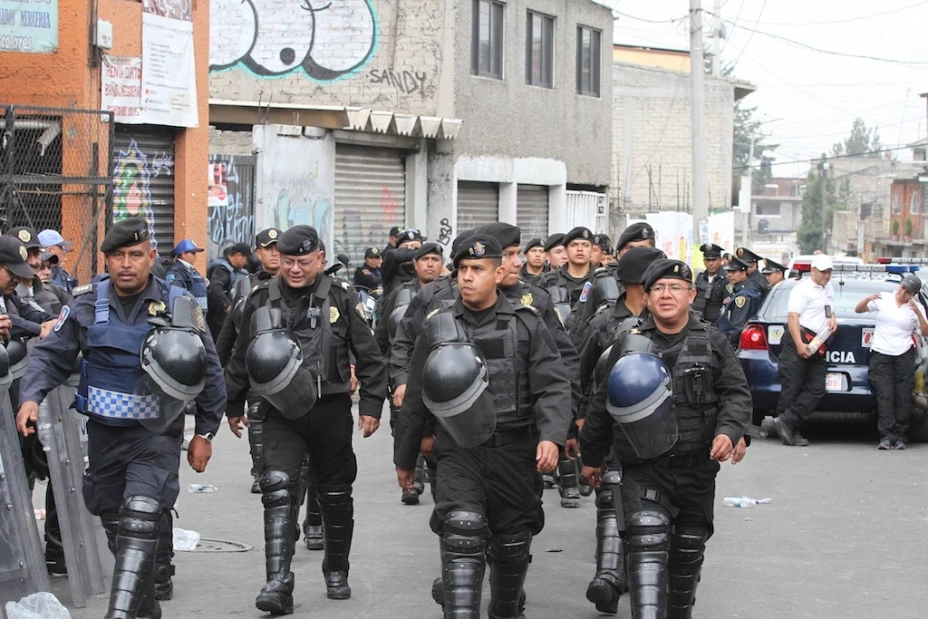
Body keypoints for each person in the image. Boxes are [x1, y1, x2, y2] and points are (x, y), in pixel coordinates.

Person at [15, 217, 227, 618]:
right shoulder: (83, 303)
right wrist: (30, 396)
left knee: (142, 518)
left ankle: (121, 612)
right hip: (105, 435)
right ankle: (145, 609)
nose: (126, 264)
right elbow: (49, 356)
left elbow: (209, 369)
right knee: (118, 526)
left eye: (135, 255)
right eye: (117, 256)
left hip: (156, 435)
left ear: (151, 257)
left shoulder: (180, 303)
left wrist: (207, 432)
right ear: (106, 260)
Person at [393, 233, 572, 619]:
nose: (467, 277)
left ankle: (505, 610)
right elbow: (417, 396)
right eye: (462, 269)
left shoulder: (527, 324)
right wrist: (405, 458)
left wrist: (552, 437)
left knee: (511, 544)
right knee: (461, 529)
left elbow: (553, 386)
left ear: (499, 272)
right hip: (459, 450)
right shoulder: (437, 326)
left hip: (515, 450)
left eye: (478, 269)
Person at [224, 225, 387, 615]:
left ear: (321, 259)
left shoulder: (342, 298)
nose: (295, 269)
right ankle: (278, 582)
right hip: (279, 412)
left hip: (329, 409)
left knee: (334, 493)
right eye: (288, 261)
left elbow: (370, 355)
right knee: (277, 486)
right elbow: (240, 357)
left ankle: (336, 569)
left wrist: (371, 405)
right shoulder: (260, 299)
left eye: (303, 261)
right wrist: (230, 406)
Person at [580, 258, 751, 619]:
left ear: (691, 295)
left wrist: (729, 430)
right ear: (647, 296)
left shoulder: (713, 342)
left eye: (675, 288)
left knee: (686, 558)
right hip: (643, 468)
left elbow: (736, 393)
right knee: (645, 545)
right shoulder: (627, 345)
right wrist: (591, 458)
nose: (667, 294)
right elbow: (601, 404)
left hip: (696, 471)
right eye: (658, 288)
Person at [574, 246, 663, 615]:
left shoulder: (670, 320)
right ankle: (607, 576)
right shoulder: (602, 321)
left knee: (650, 504)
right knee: (611, 496)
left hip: (658, 429)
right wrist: (578, 422)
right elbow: (578, 372)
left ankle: (637, 573)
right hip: (608, 421)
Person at [376, 242, 444, 505]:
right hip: (405, 370)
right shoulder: (400, 293)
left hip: (438, 371)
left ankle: (436, 478)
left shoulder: (452, 293)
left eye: (435, 259)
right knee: (407, 424)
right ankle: (411, 483)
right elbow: (385, 334)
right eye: (424, 259)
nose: (430, 264)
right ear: (414, 265)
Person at [855, 273, 928, 450]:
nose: (903, 293)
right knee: (885, 396)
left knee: (902, 396)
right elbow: (858, 309)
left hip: (903, 354)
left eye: (908, 292)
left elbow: (925, 331)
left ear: (913, 294)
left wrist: (918, 312)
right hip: (881, 353)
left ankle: (901, 436)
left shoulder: (915, 307)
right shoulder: (884, 298)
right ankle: (887, 436)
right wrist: (867, 299)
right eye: (902, 288)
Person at [771, 254, 837, 447]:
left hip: (818, 342)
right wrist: (799, 344)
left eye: (829, 272)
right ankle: (790, 430)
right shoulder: (802, 289)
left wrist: (833, 317)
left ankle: (788, 421)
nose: (826, 275)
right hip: (798, 339)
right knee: (792, 388)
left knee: (816, 389)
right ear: (813, 270)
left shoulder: (828, 288)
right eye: (823, 272)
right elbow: (793, 318)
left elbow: (828, 308)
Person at [2, 229, 58, 341]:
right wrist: (39, 330)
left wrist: (54, 320)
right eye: (11, 273)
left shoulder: (9, 295)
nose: (17, 279)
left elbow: (30, 313)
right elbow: (10, 321)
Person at [207, 242, 252, 340]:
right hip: (218, 317)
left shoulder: (237, 271)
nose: (247, 263)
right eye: (246, 259)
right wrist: (228, 305)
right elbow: (215, 288)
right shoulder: (222, 269)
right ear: (238, 256)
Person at [716, 257, 762, 348]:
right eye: (728, 272)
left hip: (735, 344)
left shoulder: (743, 295)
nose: (730, 275)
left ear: (744, 273)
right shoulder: (740, 290)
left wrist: (729, 345)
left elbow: (738, 326)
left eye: (733, 272)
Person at [166, 239, 208, 310]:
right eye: (193, 253)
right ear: (183, 254)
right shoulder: (176, 270)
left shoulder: (190, 269)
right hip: (187, 315)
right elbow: (175, 296)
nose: (195, 256)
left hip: (197, 314)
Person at [381, 228, 424, 295]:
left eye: (415, 247)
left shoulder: (426, 270)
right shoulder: (391, 270)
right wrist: (424, 252)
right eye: (404, 248)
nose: (409, 251)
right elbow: (393, 255)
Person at [692, 243, 727, 324]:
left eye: (714, 260)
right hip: (699, 321)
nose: (711, 263)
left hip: (717, 323)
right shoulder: (700, 277)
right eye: (708, 260)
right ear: (704, 261)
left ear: (720, 260)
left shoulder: (726, 278)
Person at [38, 228, 77, 293]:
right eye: (61, 247)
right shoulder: (37, 272)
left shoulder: (60, 273)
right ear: (49, 250)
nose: (63, 250)